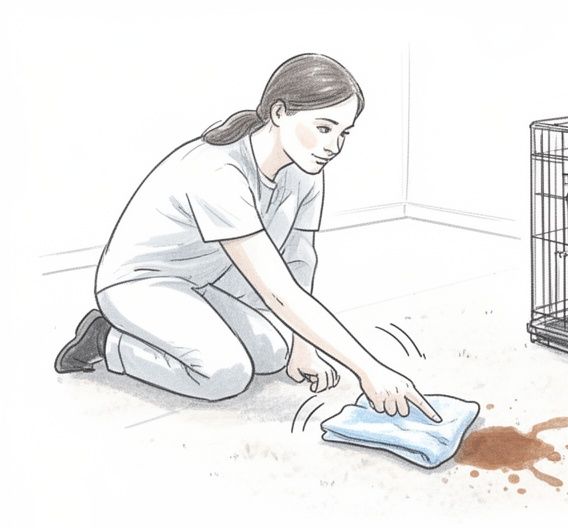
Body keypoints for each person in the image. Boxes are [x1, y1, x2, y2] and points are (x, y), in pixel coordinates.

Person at [54, 53, 440, 422]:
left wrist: (304, 350)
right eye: (324, 128)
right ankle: (106, 340)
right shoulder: (218, 173)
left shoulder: (305, 170)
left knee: (274, 352)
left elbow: (298, 260)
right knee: (226, 374)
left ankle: (169, 334)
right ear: (278, 113)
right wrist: (369, 369)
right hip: (137, 284)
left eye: (344, 133)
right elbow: (278, 292)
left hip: (197, 283)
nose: (334, 147)